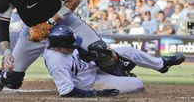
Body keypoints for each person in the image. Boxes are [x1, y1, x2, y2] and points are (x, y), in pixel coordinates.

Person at [44, 25, 186, 97]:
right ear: (59, 48)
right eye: (71, 44)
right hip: (92, 83)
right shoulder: (57, 62)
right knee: (138, 84)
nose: (74, 45)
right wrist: (96, 94)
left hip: (93, 68)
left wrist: (93, 55)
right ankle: (123, 75)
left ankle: (161, 64)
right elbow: (67, 91)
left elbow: (80, 52)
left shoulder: (62, 44)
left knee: (128, 51)